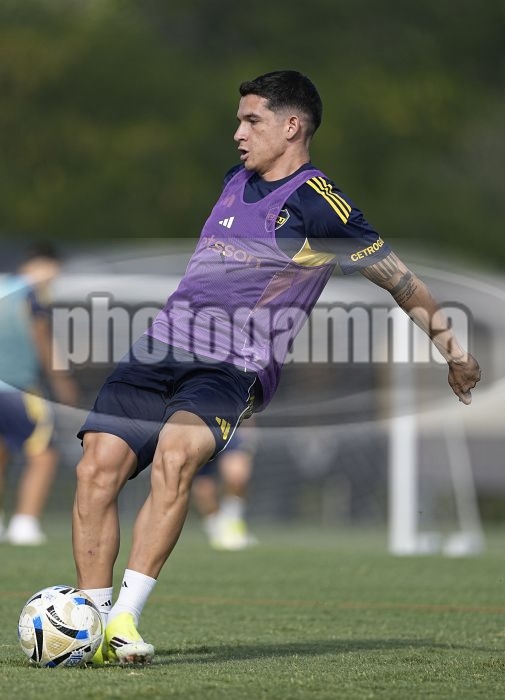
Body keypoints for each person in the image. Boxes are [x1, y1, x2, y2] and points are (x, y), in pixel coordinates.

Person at [72, 70, 481, 665]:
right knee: (95, 468)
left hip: (231, 366)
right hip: (160, 347)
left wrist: (454, 353)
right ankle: (88, 623)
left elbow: (401, 281)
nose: (238, 133)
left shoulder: (322, 206)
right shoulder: (234, 179)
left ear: (292, 126)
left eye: (251, 120)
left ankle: (124, 623)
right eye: (239, 121)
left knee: (175, 458)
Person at [0, 243, 77, 545]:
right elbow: (41, 336)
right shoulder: (32, 294)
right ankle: (25, 523)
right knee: (44, 453)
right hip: (17, 385)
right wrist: (61, 380)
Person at [192, 427, 257, 550]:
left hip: (225, 426)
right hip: (196, 429)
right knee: (203, 486)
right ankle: (217, 530)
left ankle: (234, 526)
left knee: (237, 475)